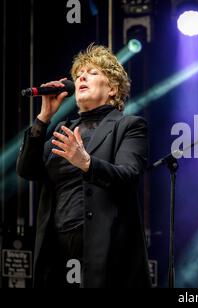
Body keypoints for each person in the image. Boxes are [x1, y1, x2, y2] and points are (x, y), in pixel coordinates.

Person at [16, 44, 151, 288]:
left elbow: (128, 175)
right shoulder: (62, 129)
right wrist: (43, 118)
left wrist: (86, 163)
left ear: (112, 88)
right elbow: (27, 170)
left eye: (92, 72)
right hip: (57, 249)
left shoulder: (129, 126)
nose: (81, 77)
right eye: (79, 74)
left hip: (104, 249)